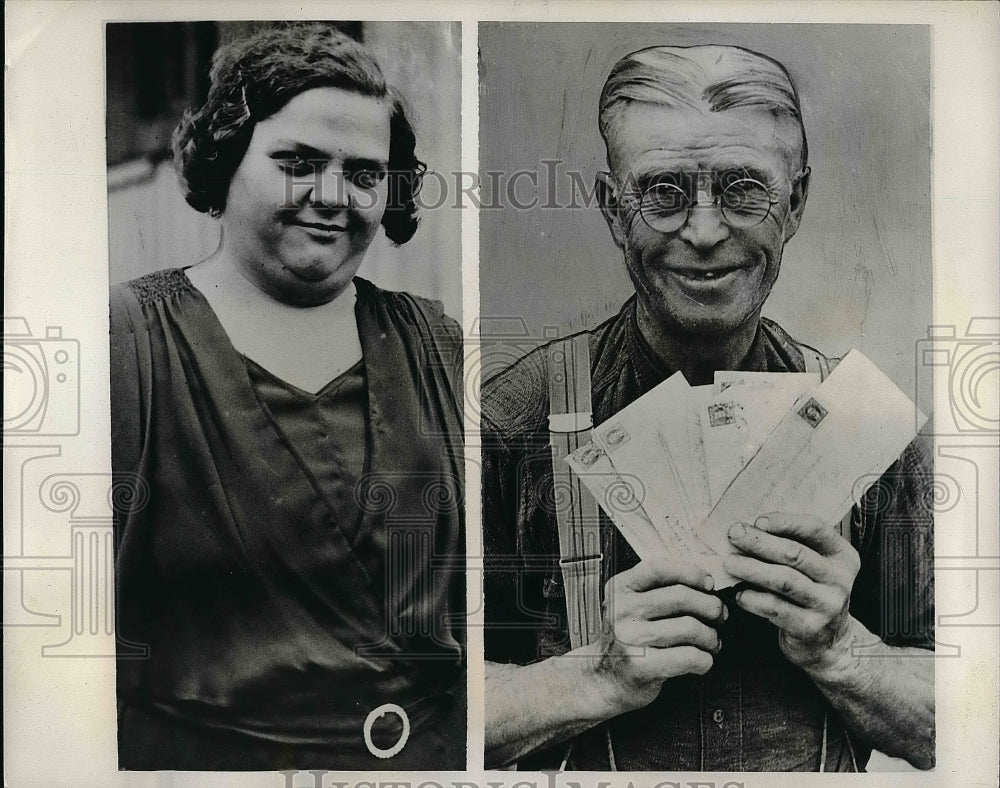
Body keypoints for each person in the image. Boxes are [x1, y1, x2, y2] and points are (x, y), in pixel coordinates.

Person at [482, 44, 934, 772]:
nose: (703, 231)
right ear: (611, 209)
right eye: (662, 191)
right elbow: (413, 714)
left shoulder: (867, 429)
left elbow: (964, 720)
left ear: (796, 203)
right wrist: (596, 677)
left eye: (743, 189)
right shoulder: (507, 424)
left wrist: (844, 649)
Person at [110, 23, 465, 770]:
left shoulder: (434, 344)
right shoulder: (131, 342)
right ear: (227, 160)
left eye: (365, 174)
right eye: (298, 163)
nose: (332, 197)